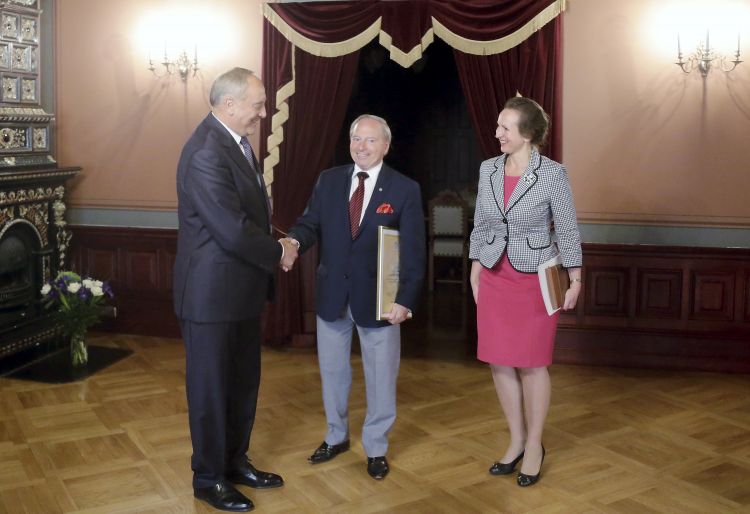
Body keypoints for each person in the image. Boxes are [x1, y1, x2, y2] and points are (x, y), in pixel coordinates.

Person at [173, 67, 298, 512]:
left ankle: (234, 462)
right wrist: (278, 251)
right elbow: (231, 228)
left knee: (242, 384)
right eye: (258, 106)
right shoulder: (206, 151)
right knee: (210, 391)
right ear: (229, 104)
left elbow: (251, 215)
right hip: (210, 297)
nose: (263, 114)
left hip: (240, 291)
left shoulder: (236, 144)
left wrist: (277, 242)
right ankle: (208, 479)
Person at [285, 114, 425, 480]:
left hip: (381, 300)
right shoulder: (329, 180)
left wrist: (406, 299)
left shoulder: (404, 189)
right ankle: (336, 436)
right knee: (333, 373)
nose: (361, 146)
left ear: (385, 146)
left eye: (370, 140)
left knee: (381, 377)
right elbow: (310, 223)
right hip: (332, 295)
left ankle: (376, 447)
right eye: (356, 139)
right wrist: (294, 241)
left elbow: (414, 250)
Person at [469, 97, 582, 487]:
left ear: (528, 134)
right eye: (498, 125)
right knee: (499, 362)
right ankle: (516, 439)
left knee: (533, 363)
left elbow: (567, 229)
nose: (497, 133)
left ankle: (534, 445)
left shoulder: (552, 174)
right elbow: (481, 223)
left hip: (536, 280)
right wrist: (475, 266)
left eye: (505, 127)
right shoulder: (487, 169)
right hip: (494, 275)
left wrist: (576, 278)